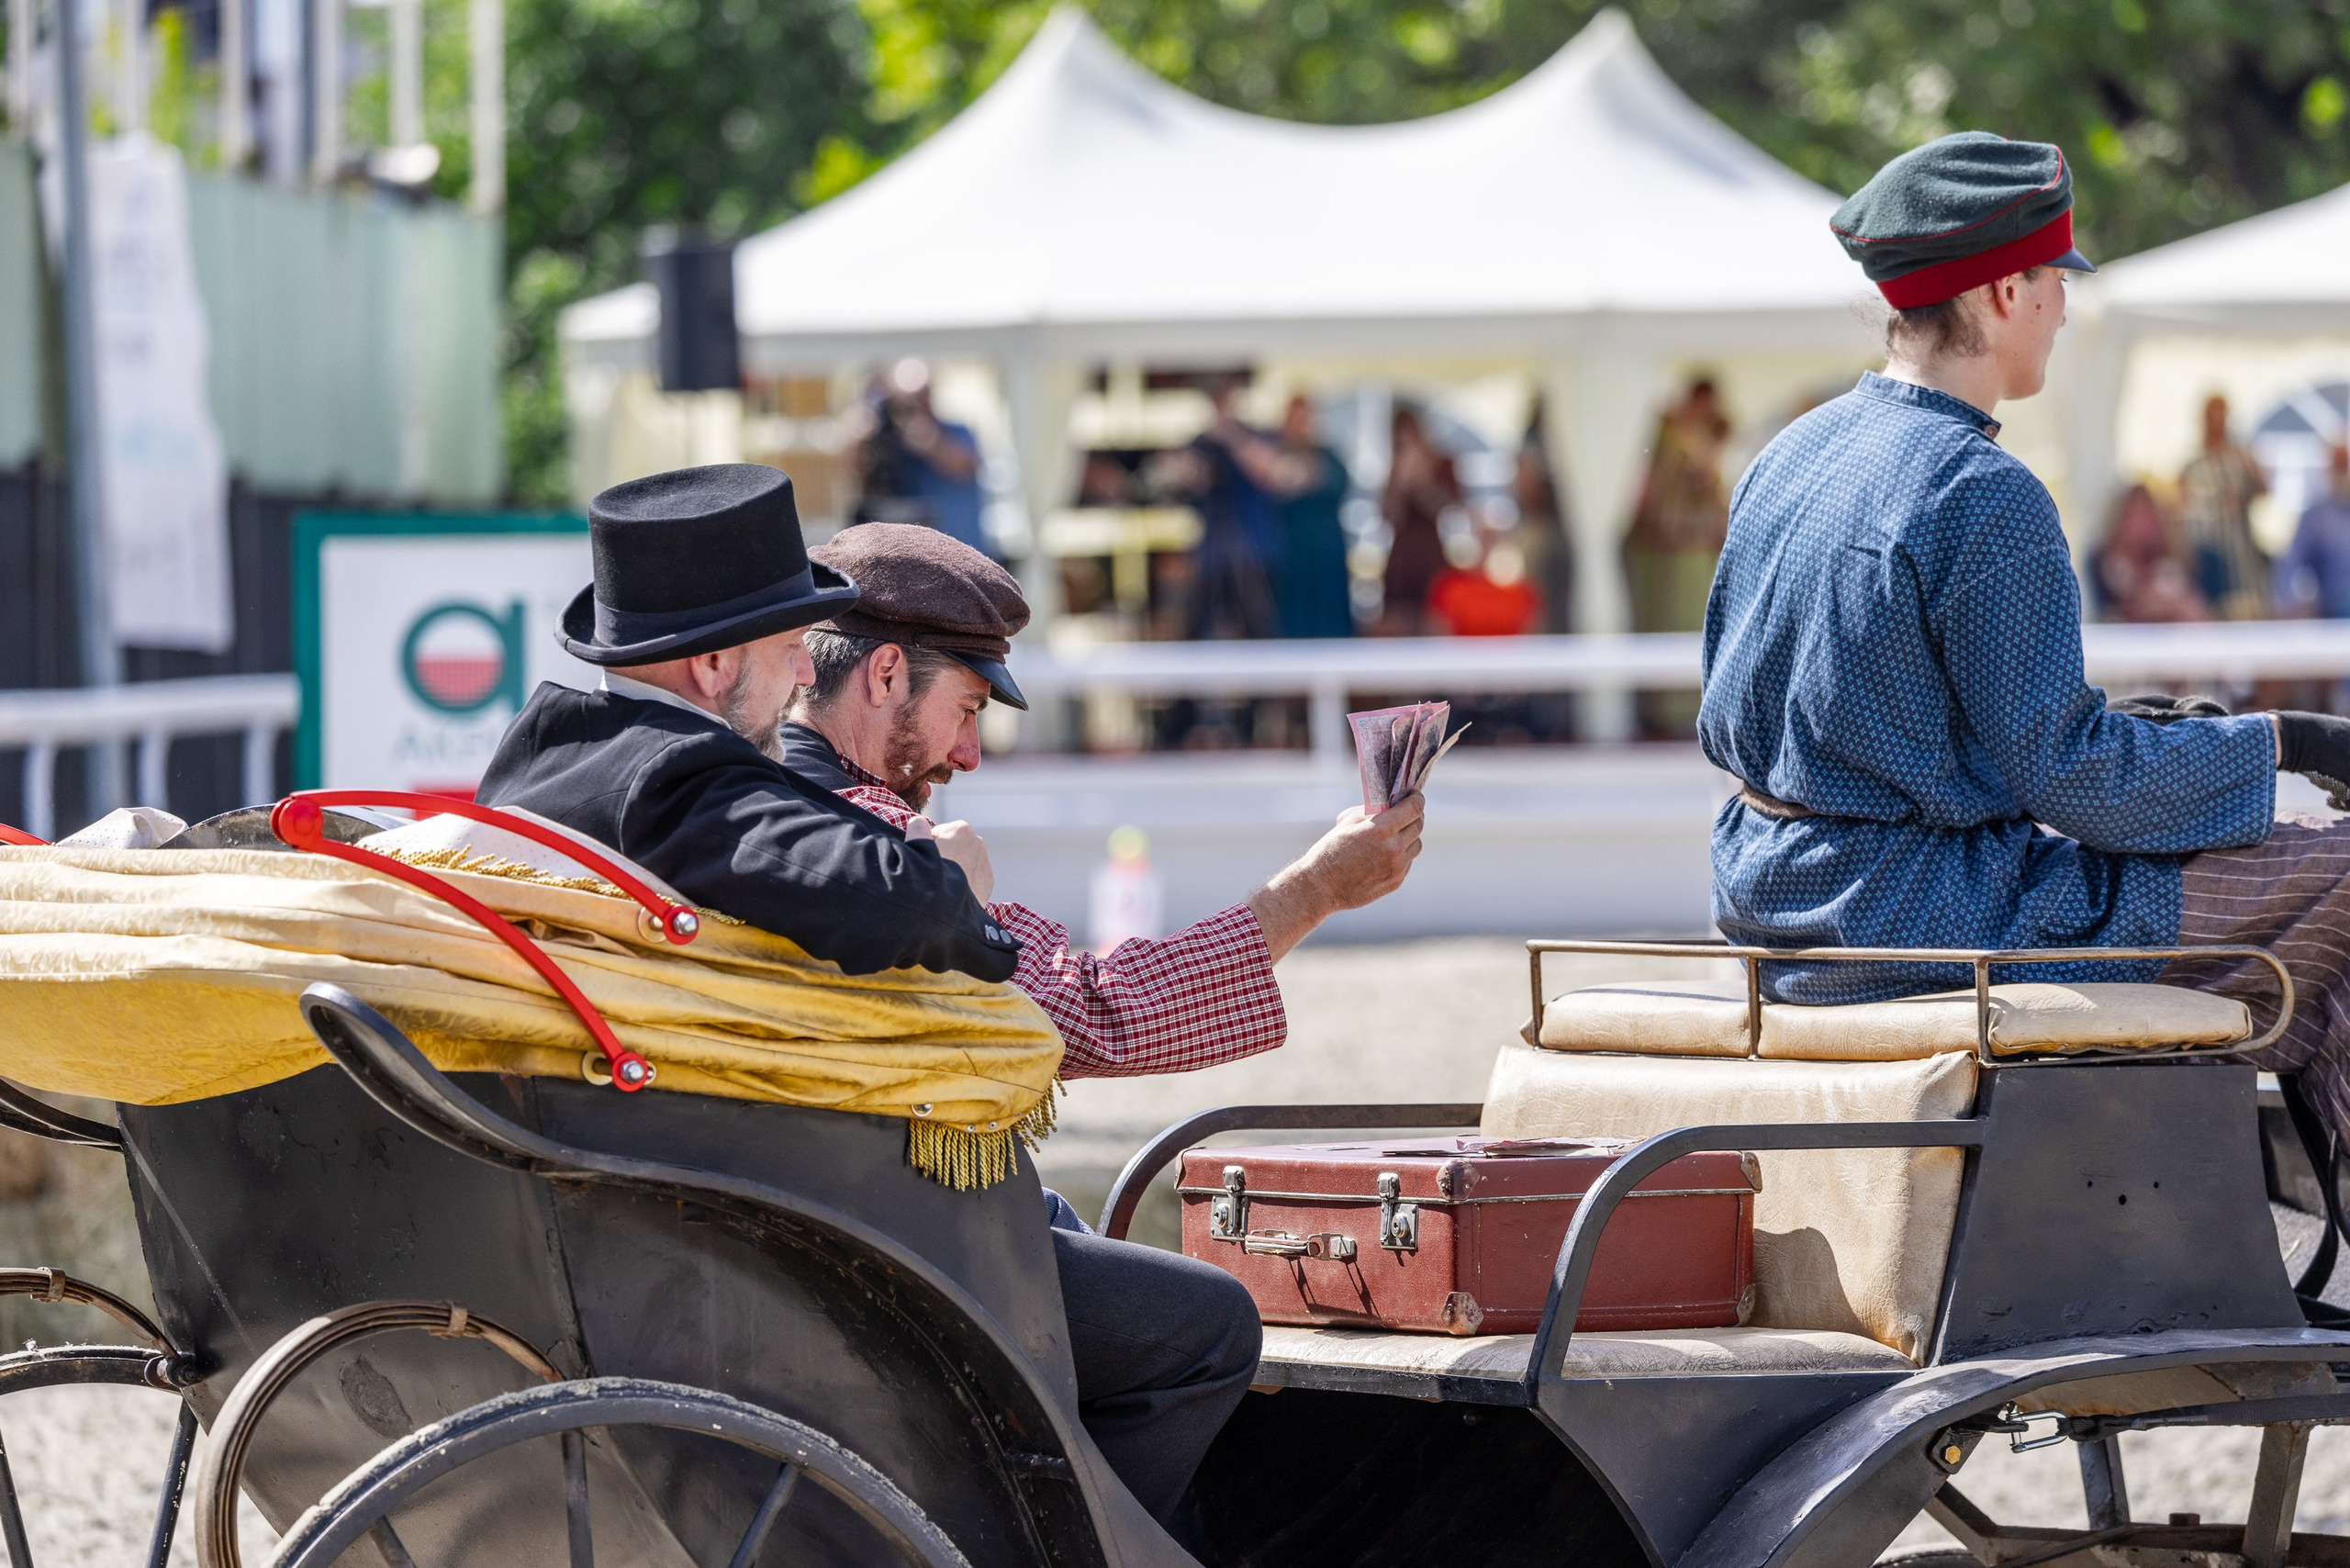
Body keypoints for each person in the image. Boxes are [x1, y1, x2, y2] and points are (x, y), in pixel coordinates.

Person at [471, 466, 1317, 1525]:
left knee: (1061, 1228)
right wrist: (949, 873)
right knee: (1204, 1326)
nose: (793, 687)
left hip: (629, 1179)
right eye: (788, 653)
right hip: (761, 1214)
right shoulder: (691, 775)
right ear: (715, 659)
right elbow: (876, 893)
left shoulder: (544, 751)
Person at [1698, 129, 2350, 1142]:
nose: (2063, 304)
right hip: (1916, 915)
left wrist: (2151, 737)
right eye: (2057, 277)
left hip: (1772, 898)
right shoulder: (1983, 489)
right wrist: (2287, 743)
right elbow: (2074, 778)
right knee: (2340, 868)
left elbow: (1849, 719)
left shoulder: (1793, 451)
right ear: (2006, 291)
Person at [778, 521, 1427, 1518]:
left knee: (1074, 1229)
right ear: (884, 674)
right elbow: (1095, 1011)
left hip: (839, 1203)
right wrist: (1314, 891)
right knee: (1208, 1323)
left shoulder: (756, 807)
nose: (969, 752)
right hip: (881, 1232)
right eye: (966, 709)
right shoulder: (876, 848)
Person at [853, 359, 992, 557]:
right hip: (914, 556)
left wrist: (930, 442)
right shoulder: (888, 440)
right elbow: (855, 472)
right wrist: (860, 435)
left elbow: (963, 466)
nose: (912, 408)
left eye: (919, 399)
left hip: (963, 551)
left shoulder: (956, 431)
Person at [2179, 394, 2270, 619]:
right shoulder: (2194, 462)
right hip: (2206, 550)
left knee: (2246, 610)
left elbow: (2262, 490)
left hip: (2241, 555)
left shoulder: (2240, 457)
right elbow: (2182, 503)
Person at [1378, 406, 1460, 635]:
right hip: (1402, 560)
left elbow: (1448, 508)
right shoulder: (1394, 468)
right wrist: (1398, 485)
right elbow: (1386, 516)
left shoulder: (1440, 464)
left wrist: (1422, 482)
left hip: (1430, 556)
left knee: (1434, 625)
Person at [2091, 482, 2210, 623]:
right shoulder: (2106, 565)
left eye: (2149, 515)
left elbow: (2200, 616)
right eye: (2136, 516)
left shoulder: (2181, 561)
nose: (2143, 524)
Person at [2276, 443, 2350, 620]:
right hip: (2337, 608)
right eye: (2340, 465)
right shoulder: (2316, 517)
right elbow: (2289, 564)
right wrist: (2288, 604)